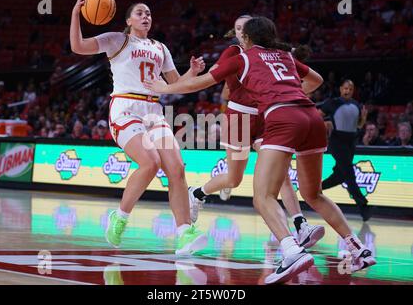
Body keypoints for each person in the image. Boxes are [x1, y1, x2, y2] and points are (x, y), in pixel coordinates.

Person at [144, 16, 376, 284]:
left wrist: (165, 88)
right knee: (312, 193)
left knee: (262, 196)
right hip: (309, 116)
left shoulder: (242, 57)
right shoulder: (284, 55)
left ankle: (291, 250)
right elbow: (317, 79)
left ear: (247, 37)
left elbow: (201, 83)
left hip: (280, 116)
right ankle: (358, 247)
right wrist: (288, 92)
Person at [70, 0, 208, 255]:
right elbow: (78, 46)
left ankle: (183, 233)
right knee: (151, 162)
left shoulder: (160, 48)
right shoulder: (117, 40)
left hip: (153, 111)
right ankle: (119, 217)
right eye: (140, 13)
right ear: (129, 20)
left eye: (148, 14)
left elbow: (176, 85)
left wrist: (192, 72)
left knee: (176, 168)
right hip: (125, 108)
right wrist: (76, 14)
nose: (146, 17)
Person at [188, 15, 324, 249]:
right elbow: (213, 81)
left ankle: (301, 225)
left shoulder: (269, 53)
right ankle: (197, 193)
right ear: (236, 32)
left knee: (280, 175)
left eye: (246, 28)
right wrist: (191, 74)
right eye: (238, 28)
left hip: (266, 116)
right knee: (234, 178)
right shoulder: (233, 54)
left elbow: (310, 79)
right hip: (239, 118)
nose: (242, 32)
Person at [319, 80, 373, 221]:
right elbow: (316, 115)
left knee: (340, 176)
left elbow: (358, 126)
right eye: (345, 88)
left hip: (351, 142)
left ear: (353, 90)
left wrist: (364, 120)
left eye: (350, 88)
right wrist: (324, 125)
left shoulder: (357, 104)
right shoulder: (333, 103)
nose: (347, 91)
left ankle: (315, 189)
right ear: (340, 89)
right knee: (349, 173)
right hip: (337, 141)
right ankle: (363, 205)